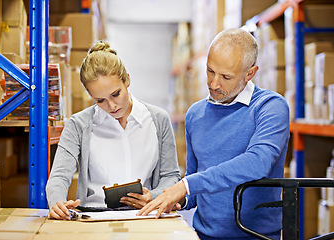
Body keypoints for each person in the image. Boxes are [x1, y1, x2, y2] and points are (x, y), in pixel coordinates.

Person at [138, 28, 290, 240]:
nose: (214, 84)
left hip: (256, 237)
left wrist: (186, 186)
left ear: (250, 73)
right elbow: (195, 182)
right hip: (203, 236)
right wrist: (175, 199)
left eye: (226, 77)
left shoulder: (270, 107)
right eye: (210, 71)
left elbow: (258, 162)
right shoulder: (195, 115)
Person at [46, 40, 181, 220]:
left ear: (127, 79)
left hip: (146, 216)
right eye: (100, 100)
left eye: (116, 94)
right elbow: (59, 176)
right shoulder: (78, 125)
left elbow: (171, 175)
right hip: (95, 219)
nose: (111, 106)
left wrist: (154, 196)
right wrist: (57, 202)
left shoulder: (158, 120)